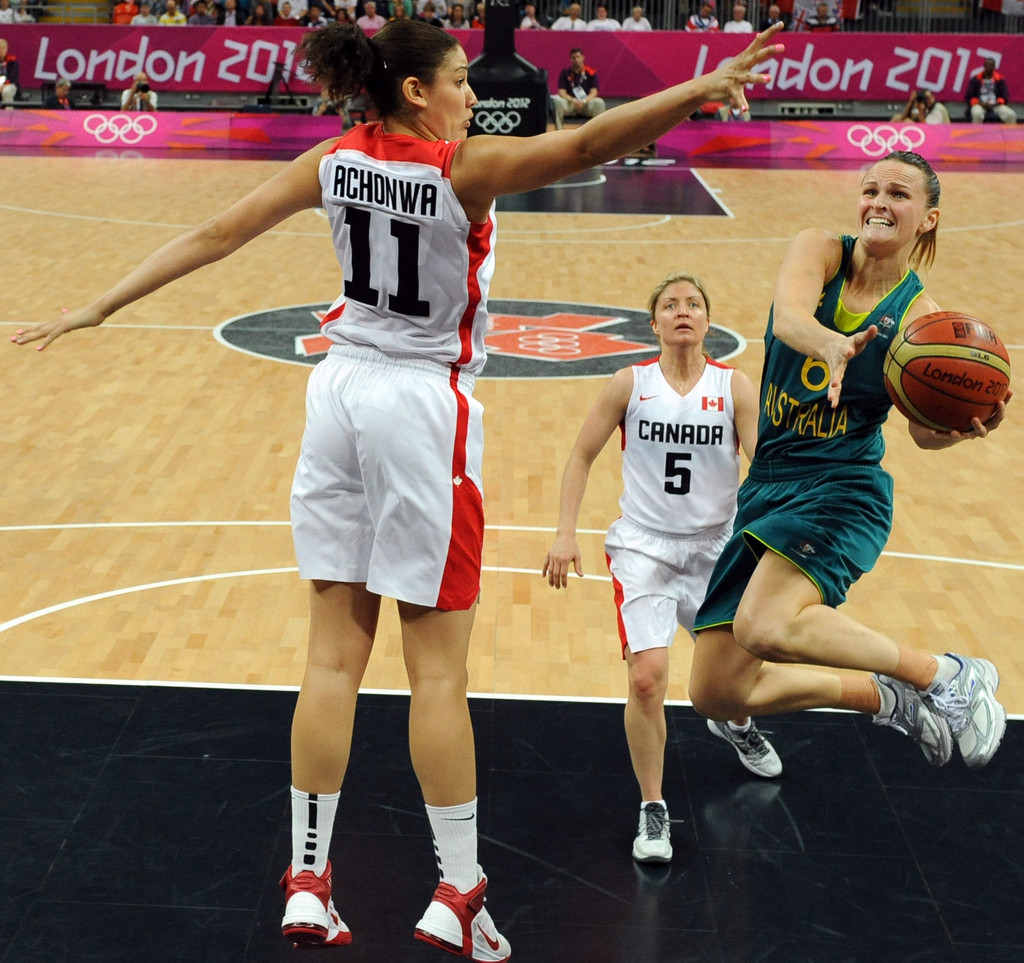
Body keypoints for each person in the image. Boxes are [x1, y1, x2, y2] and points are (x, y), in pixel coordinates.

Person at [10, 19, 784, 958]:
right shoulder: (462, 168)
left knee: (332, 660)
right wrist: (698, 85)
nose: (472, 92)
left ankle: (307, 882)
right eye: (459, 79)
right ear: (415, 91)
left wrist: (99, 303)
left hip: (335, 395)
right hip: (423, 408)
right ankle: (457, 892)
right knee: (439, 671)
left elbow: (216, 233)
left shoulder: (333, 158)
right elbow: (590, 142)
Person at [687, 150, 1010, 781]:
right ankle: (887, 699)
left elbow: (922, 434)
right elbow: (789, 316)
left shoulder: (921, 322)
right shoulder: (820, 249)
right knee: (716, 693)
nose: (880, 203)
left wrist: (963, 428)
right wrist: (832, 344)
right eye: (871, 189)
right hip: (769, 485)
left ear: (928, 219)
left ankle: (944, 674)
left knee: (764, 625)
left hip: (842, 488)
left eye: (899, 194)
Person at [544, 272, 782, 866]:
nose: (683, 311)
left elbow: (766, 470)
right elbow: (580, 455)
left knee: (729, 681)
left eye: (694, 304)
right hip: (643, 550)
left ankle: (733, 721)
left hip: (715, 549)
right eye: (670, 305)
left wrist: (775, 540)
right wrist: (565, 532)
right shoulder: (630, 383)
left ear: (708, 321)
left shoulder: (735, 388)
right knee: (647, 678)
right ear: (653, 324)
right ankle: (653, 807)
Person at [551, 46, 605, 130]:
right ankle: (559, 131)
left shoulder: (591, 72)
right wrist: (572, 100)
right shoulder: (565, 73)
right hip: (571, 104)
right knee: (557, 101)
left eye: (578, 57)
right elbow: (561, 92)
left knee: (599, 102)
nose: (576, 59)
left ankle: (598, 131)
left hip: (585, 104)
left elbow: (594, 91)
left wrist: (584, 101)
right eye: (573, 57)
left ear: (583, 57)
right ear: (570, 59)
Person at [967, 57, 1016, 125]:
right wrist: (981, 103)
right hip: (980, 104)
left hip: (996, 104)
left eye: (991, 65)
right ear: (984, 66)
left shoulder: (1000, 79)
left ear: (994, 67)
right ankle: (976, 135)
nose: (989, 67)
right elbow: (969, 96)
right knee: (977, 114)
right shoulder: (976, 79)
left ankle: (1010, 135)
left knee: (1011, 115)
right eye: (987, 65)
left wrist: (996, 103)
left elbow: (1005, 96)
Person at [0, 35, 18, 107]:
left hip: (9, 84)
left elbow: (13, 77)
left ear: (7, 49)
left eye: (3, 48)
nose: (1, 50)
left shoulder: (13, 61)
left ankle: (8, 114)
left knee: (7, 91)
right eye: (0, 47)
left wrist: (3, 86)